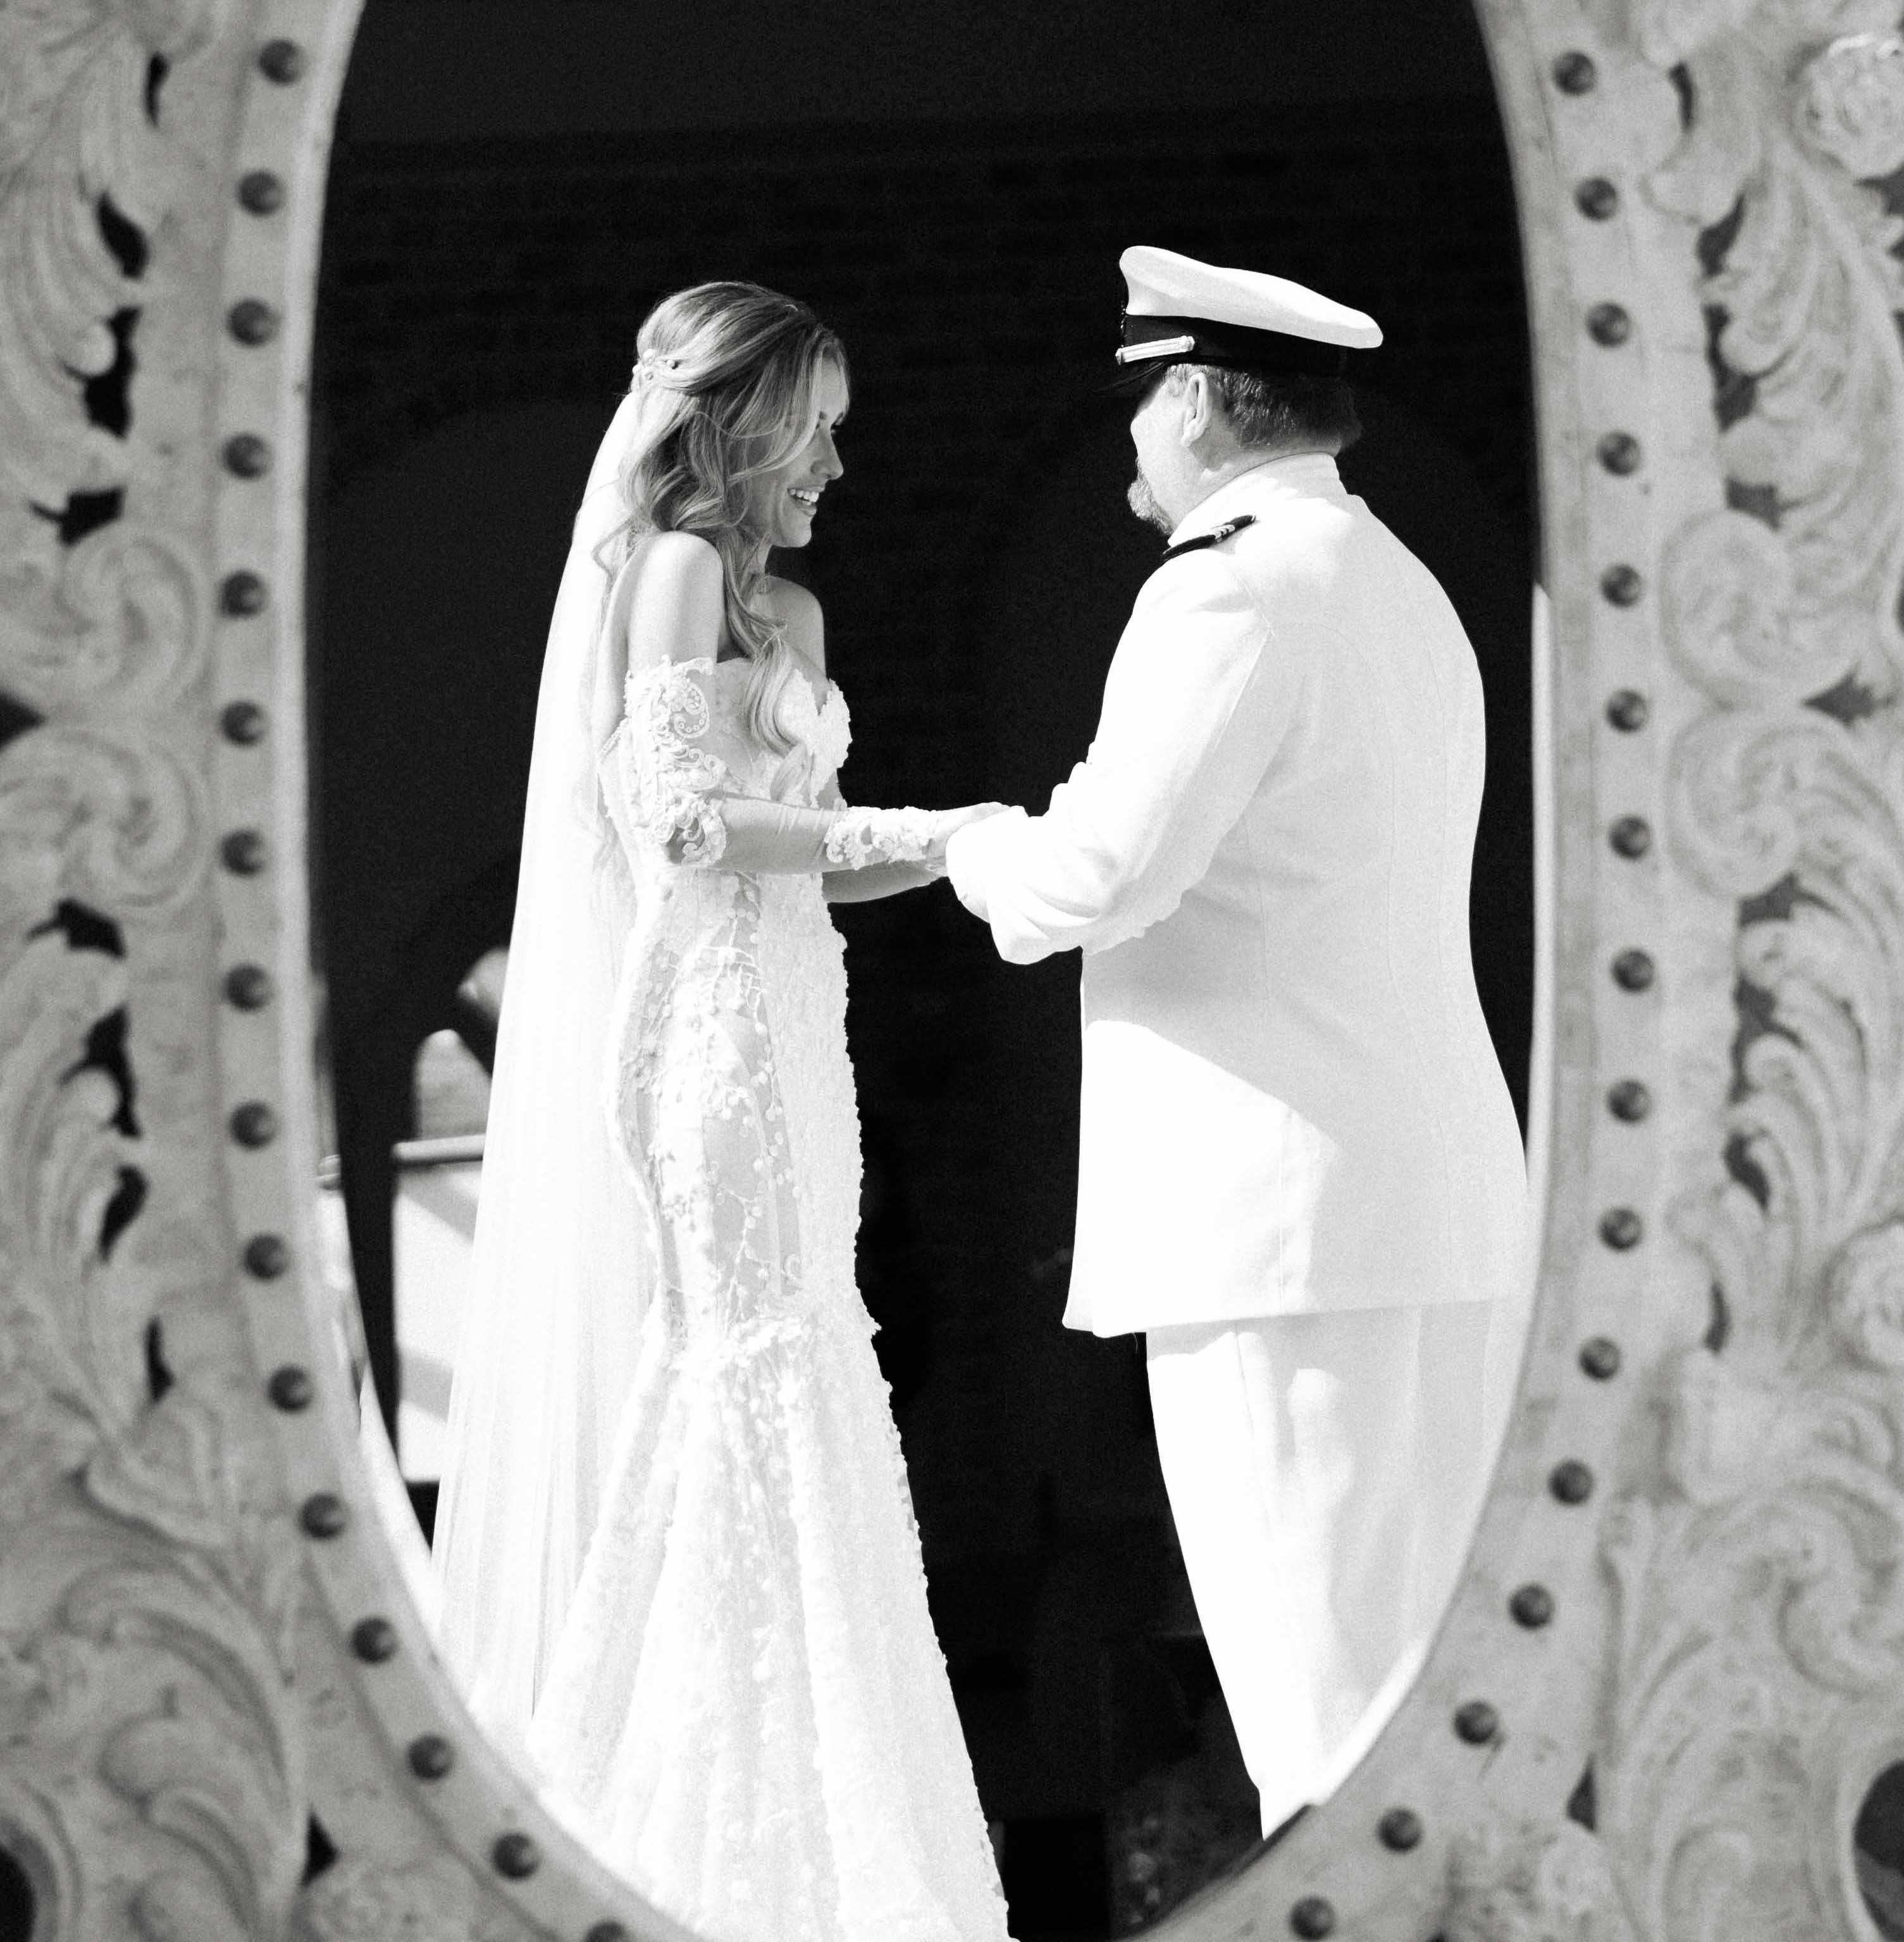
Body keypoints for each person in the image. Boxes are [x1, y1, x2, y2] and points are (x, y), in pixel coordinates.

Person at [431, 281, 1011, 1942]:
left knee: (811, 1344)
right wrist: (915, 819)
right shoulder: (673, 573)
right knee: (744, 1359)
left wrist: (993, 845)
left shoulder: (793, 616)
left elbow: (822, 851)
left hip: (797, 1028)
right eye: (815, 420)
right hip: (707, 1048)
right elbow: (692, 828)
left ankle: (804, 1819)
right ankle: (664, 1816)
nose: (835, 456)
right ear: (741, 421)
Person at [945, 246, 1530, 1839]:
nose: (1134, 433)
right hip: (1429, 1207)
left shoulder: (1227, 583)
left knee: (1321, 1726)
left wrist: (952, 842)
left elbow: (1101, 870)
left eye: (1145, 394)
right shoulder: (1395, 579)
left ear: (1199, 401)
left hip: (1281, 1226)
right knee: (1432, 1710)